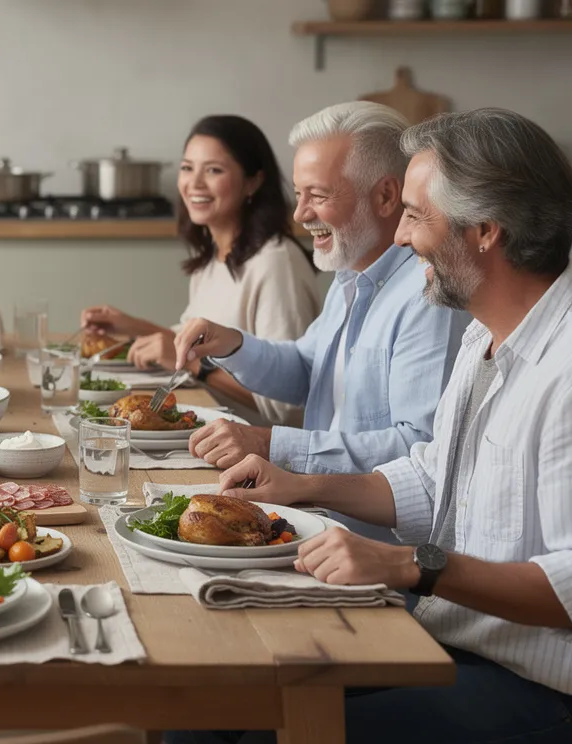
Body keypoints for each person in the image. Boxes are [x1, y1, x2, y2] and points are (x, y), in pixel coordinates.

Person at [188, 107, 572, 744]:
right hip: (452, 635)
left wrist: (406, 564)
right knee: (220, 698)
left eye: (416, 217)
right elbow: (431, 475)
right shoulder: (485, 333)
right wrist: (304, 484)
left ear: (484, 231)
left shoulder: (562, 367)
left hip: (541, 686)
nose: (399, 240)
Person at [173, 102, 469, 542]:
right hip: (317, 526)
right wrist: (233, 344)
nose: (299, 214)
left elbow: (418, 448)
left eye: (319, 195)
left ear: (386, 196)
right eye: (298, 194)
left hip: (373, 553)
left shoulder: (427, 293)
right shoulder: (350, 274)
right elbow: (309, 372)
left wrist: (272, 444)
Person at [81, 115, 321, 427]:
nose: (194, 183)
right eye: (187, 168)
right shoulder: (212, 256)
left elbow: (288, 406)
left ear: (254, 181)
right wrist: (130, 326)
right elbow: (192, 342)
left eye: (213, 170)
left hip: (256, 452)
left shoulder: (277, 263)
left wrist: (197, 368)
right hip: (208, 429)